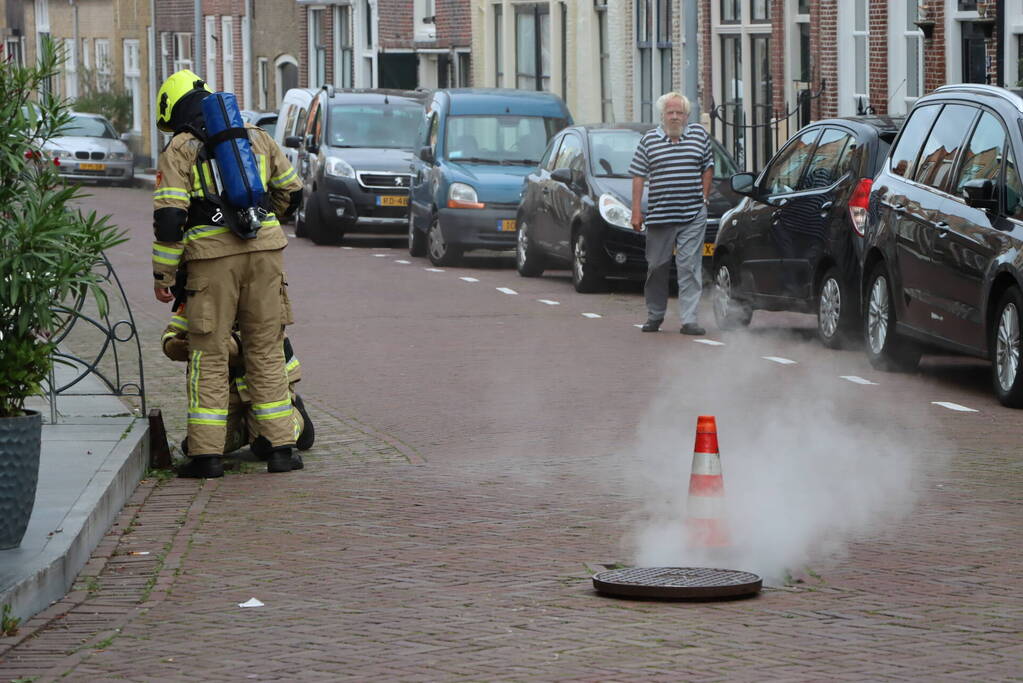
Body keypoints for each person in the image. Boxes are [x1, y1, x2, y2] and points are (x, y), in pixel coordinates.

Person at [151, 69, 303, 478]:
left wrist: (164, 276)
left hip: (213, 260)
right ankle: (281, 450)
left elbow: (169, 218)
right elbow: (293, 191)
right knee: (266, 348)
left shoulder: (180, 147)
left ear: (174, 108)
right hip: (267, 251)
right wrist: (260, 220)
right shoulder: (254, 135)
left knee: (209, 353)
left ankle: (206, 456)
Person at [161, 304, 315, 465]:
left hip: (264, 383)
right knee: (201, 445)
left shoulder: (255, 290)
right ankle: (247, 429)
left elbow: (256, 341)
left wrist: (204, 340)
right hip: (226, 385)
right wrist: (175, 344)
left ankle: (298, 419)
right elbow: (172, 332)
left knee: (268, 447)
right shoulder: (200, 295)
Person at [629, 92, 714, 335]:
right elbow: (638, 175)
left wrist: (704, 198)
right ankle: (655, 315)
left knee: (689, 266)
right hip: (660, 215)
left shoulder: (699, 135)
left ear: (687, 116)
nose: (675, 117)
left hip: (692, 214)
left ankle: (689, 320)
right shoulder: (649, 140)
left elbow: (708, 166)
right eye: (670, 113)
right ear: (662, 116)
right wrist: (636, 212)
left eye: (679, 113)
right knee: (657, 267)